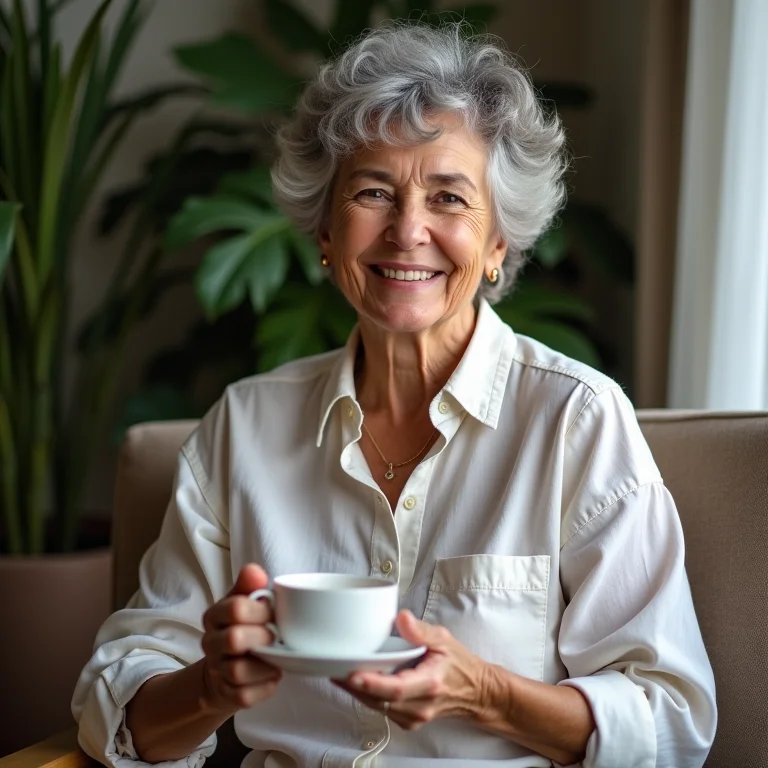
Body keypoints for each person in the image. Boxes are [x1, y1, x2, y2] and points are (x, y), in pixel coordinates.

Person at [72, 22, 717, 768]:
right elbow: (117, 706)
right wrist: (212, 687)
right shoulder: (243, 427)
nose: (408, 231)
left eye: (449, 197)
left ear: (499, 242)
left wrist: (487, 692)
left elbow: (670, 719)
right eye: (374, 192)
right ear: (323, 228)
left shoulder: (576, 421)